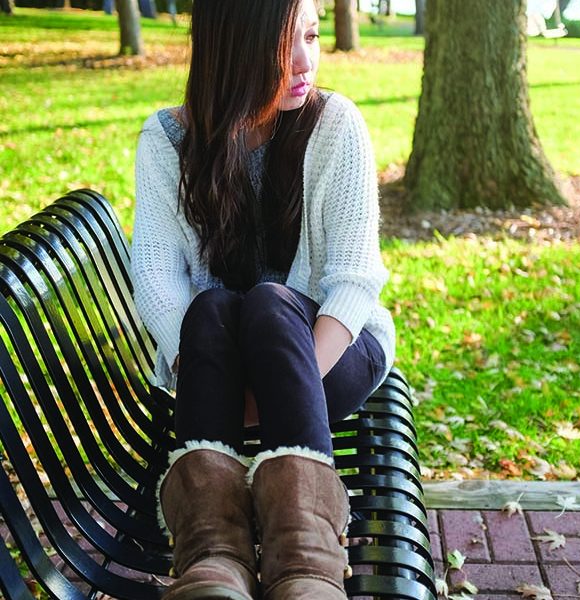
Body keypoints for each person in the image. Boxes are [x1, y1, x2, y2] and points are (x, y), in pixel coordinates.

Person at [131, 0, 395, 598]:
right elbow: (157, 279)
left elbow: (353, 285)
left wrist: (262, 388)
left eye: (313, 35)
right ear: (237, 47)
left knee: (273, 304)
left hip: (336, 349)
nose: (307, 60)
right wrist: (215, 376)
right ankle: (212, 562)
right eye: (286, 43)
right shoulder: (168, 141)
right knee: (212, 307)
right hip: (219, 360)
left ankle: (307, 570)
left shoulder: (336, 124)